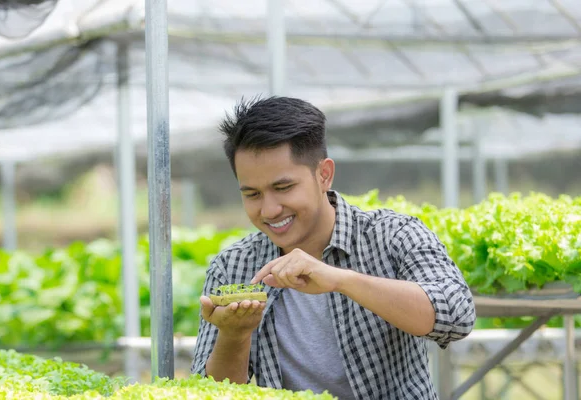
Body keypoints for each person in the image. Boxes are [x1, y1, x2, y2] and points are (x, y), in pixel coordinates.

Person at [190, 96, 476, 399]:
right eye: (252, 194)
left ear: (324, 174)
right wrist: (235, 335)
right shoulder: (234, 266)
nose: (269, 210)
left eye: (283, 188)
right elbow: (212, 393)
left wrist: (341, 279)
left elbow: (457, 314)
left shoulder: (393, 235)